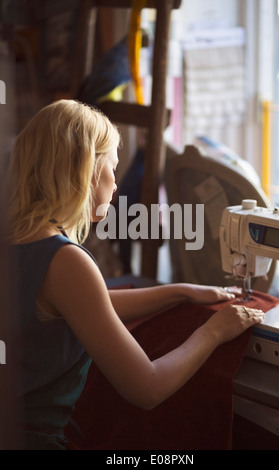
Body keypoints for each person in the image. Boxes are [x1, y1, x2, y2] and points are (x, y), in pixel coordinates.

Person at [4, 99, 265, 450]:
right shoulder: (65, 261)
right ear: (86, 171)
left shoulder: (16, 241)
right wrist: (214, 331)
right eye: (111, 169)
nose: (114, 185)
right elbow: (148, 388)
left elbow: (84, 305)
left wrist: (179, 291)